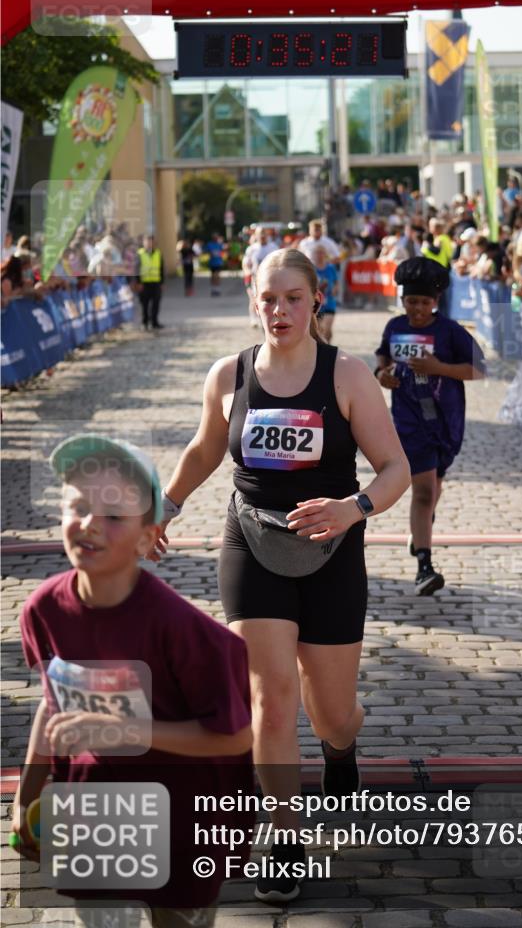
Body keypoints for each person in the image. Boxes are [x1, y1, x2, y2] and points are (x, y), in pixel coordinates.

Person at [151, 247, 410, 903]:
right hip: (251, 542)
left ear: (314, 301)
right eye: (268, 298)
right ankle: (285, 839)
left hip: (330, 548)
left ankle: (340, 747)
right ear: (252, 301)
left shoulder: (347, 376)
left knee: (330, 715)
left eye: (292, 298)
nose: (279, 310)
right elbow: (206, 445)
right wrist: (165, 506)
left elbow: (394, 471)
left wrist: (351, 509)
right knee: (269, 698)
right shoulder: (229, 374)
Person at [11, 434, 253, 926]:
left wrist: (127, 731)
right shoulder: (42, 610)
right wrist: (27, 791)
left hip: (179, 819)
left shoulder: (187, 633)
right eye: (76, 506)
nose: (89, 525)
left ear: (148, 538)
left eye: (114, 515)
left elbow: (234, 735)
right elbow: (53, 703)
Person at [374, 257, 486, 596]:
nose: (417, 309)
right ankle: (425, 566)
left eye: (424, 302)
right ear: (403, 300)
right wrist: (383, 375)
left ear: (435, 302)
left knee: (434, 487)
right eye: (411, 301)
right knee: (422, 492)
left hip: (446, 420)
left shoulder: (450, 331)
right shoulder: (394, 326)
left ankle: (420, 531)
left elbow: (479, 370)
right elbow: (382, 358)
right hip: (408, 422)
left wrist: (439, 367)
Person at [311, 242, 338, 342]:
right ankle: (322, 350)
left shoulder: (331, 268)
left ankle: (327, 349)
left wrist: (335, 289)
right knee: (319, 330)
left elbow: (336, 282)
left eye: (321, 252)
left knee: (327, 328)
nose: (319, 255)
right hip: (317, 304)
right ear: (313, 255)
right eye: (317, 253)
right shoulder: (311, 269)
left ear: (325, 254)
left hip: (330, 302)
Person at [138, 234, 164, 330]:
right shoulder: (140, 254)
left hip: (156, 283)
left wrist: (162, 282)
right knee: (144, 305)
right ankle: (144, 323)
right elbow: (136, 269)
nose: (150, 243)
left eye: (151, 241)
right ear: (143, 242)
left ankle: (154, 322)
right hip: (144, 284)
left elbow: (161, 268)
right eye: (147, 241)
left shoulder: (158, 253)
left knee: (156, 304)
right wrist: (138, 282)